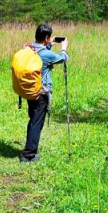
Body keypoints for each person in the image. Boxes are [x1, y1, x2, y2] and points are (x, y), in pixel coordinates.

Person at [19, 23, 69, 163]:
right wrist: (64, 48)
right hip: (41, 93)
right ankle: (29, 154)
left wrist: (48, 45)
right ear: (47, 37)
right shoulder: (46, 54)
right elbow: (63, 58)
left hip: (30, 90)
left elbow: (41, 57)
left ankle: (30, 148)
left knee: (33, 119)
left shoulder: (30, 49)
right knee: (36, 122)